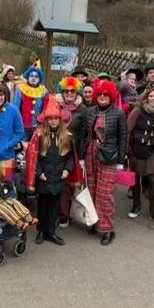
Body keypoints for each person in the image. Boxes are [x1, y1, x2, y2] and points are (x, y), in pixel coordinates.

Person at [79, 79, 127, 246]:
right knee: (91, 189)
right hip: (90, 152)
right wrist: (81, 157)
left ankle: (107, 229)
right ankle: (94, 221)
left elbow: (123, 138)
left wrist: (121, 160)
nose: (102, 97)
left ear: (111, 96)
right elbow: (85, 134)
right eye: (99, 94)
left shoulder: (119, 113)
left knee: (105, 193)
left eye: (106, 94)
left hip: (109, 155)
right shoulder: (90, 111)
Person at [26, 96, 77, 245]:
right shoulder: (39, 135)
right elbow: (34, 157)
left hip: (59, 177)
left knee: (55, 206)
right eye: (50, 118)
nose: (53, 121)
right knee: (42, 205)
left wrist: (67, 170)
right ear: (46, 120)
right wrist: (39, 172)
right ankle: (41, 231)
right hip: (44, 177)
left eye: (56, 118)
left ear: (60, 120)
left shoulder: (67, 136)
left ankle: (51, 232)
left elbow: (71, 157)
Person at [126, 88, 154, 223]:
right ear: (146, 97)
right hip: (137, 148)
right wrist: (127, 149)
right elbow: (128, 130)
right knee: (136, 178)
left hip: (153, 151)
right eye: (151, 96)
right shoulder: (138, 111)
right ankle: (136, 206)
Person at [55, 77, 87, 227]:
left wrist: (81, 156)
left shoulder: (83, 109)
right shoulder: (55, 105)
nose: (69, 93)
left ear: (76, 92)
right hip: (54, 149)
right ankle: (55, 212)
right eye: (66, 91)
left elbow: (86, 133)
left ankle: (64, 215)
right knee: (53, 181)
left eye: (72, 91)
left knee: (69, 184)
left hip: (73, 152)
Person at [12, 65, 49, 138]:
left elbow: (45, 108)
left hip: (38, 128)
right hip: (23, 127)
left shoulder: (44, 91)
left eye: (36, 76)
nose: (34, 78)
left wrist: (40, 122)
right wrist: (17, 124)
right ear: (27, 77)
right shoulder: (20, 89)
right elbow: (15, 108)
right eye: (31, 76)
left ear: (39, 78)